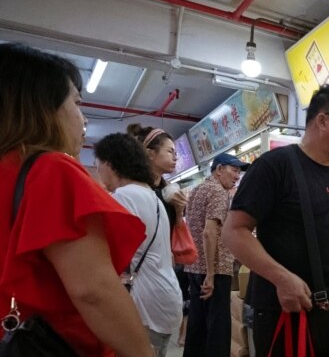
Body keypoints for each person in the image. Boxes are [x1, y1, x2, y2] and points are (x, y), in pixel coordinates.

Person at [0, 42, 153, 356]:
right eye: (77, 102)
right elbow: (93, 290)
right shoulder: (51, 170)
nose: (82, 118)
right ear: (44, 106)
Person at [223, 84, 329, 356]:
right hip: (284, 312)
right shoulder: (274, 166)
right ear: (323, 121)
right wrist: (281, 278)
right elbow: (234, 231)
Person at [94, 133, 183, 357]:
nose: (98, 171)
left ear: (109, 163)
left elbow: (106, 256)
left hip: (147, 299)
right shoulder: (151, 196)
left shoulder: (122, 197)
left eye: (98, 165)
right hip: (166, 292)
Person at [128, 123, 190, 345]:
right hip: (141, 285)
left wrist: (179, 209)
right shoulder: (134, 193)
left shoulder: (168, 192)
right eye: (170, 151)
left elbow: (171, 239)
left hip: (162, 281)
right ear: (150, 154)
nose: (175, 157)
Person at [183, 153, 248, 357]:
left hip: (194, 267)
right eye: (234, 170)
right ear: (219, 169)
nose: (237, 176)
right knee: (218, 330)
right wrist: (211, 274)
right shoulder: (218, 192)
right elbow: (209, 232)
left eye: (239, 172)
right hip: (215, 270)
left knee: (197, 328)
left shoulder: (197, 190)